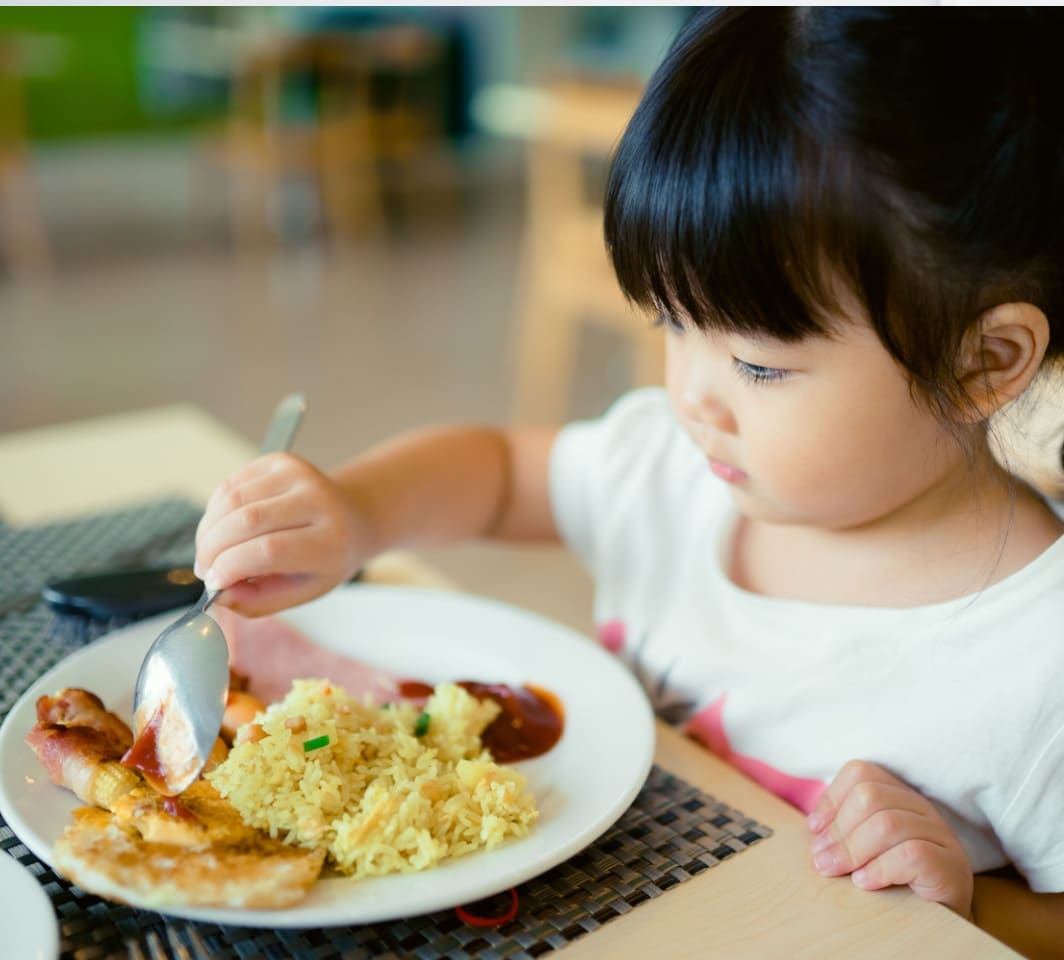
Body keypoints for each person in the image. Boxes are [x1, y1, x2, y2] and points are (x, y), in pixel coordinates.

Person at [194, 8, 1064, 956]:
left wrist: (971, 901)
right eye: (670, 324)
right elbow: (499, 472)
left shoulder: (1033, 664)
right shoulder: (679, 471)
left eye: (758, 365)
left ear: (987, 362)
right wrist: (356, 512)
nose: (690, 393)